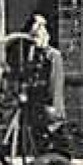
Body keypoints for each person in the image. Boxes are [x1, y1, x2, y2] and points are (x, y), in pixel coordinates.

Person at [22, 14, 66, 153]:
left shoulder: (53, 56)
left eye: (37, 36)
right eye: (33, 37)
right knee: (40, 140)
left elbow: (55, 83)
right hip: (37, 105)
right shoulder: (34, 56)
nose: (35, 41)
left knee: (56, 139)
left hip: (50, 106)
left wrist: (53, 107)